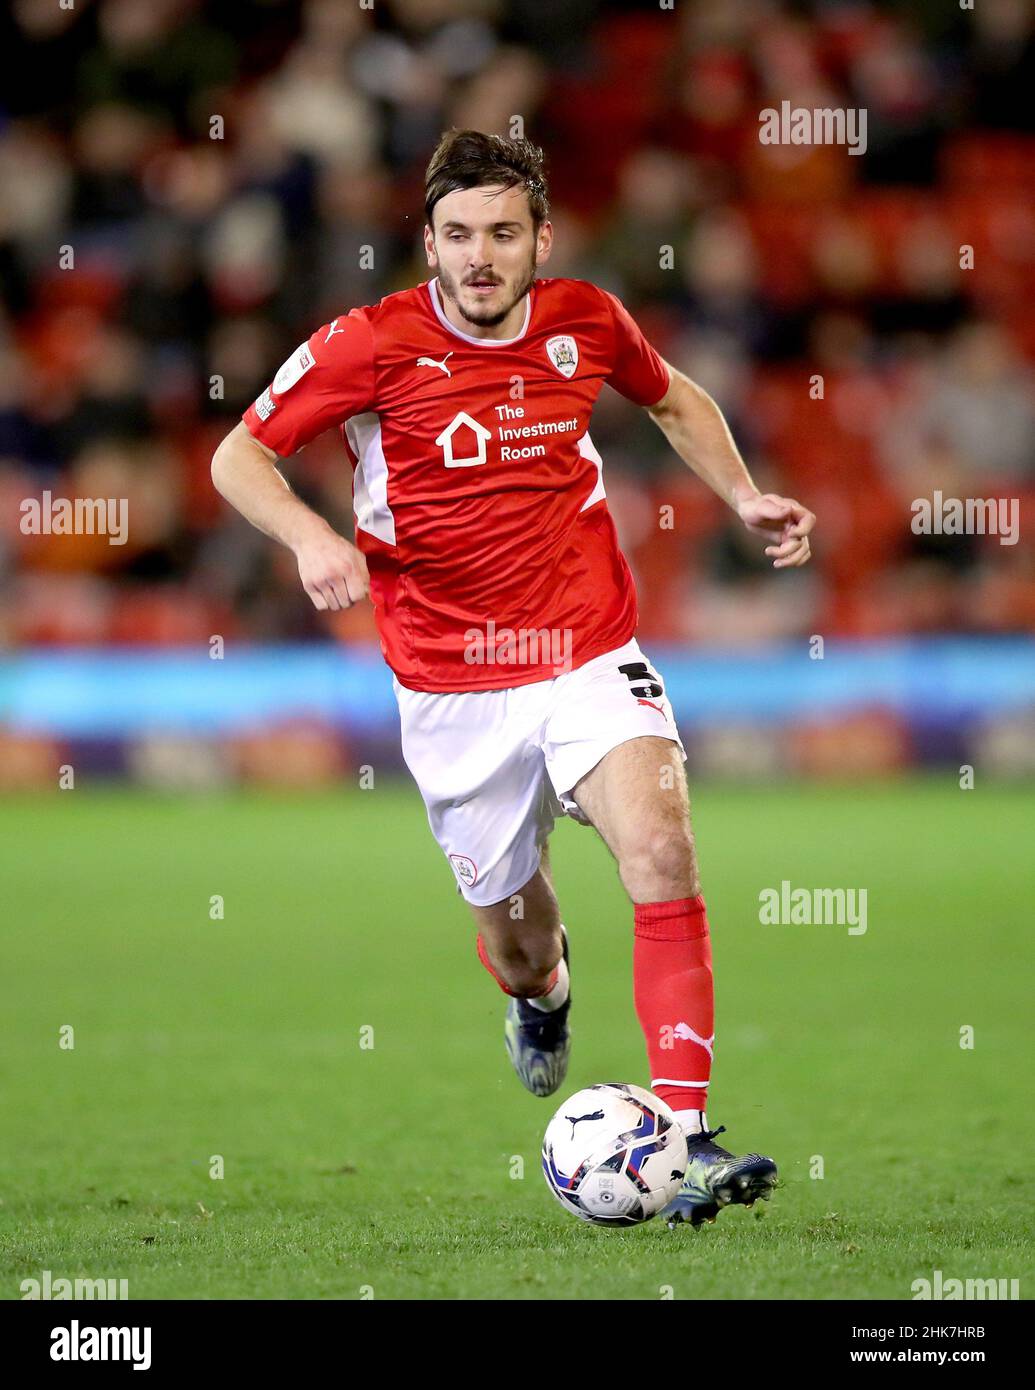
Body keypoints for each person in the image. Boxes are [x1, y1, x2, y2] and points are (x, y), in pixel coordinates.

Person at [212, 130, 815, 1227]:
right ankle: (544, 996)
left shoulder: (588, 320)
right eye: (456, 235)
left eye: (501, 232)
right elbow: (238, 454)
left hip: (585, 649)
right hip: (449, 686)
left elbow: (675, 398)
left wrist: (744, 496)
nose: (479, 256)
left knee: (664, 845)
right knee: (519, 940)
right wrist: (308, 539)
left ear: (542, 235)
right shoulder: (369, 343)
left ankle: (679, 1139)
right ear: (428, 242)